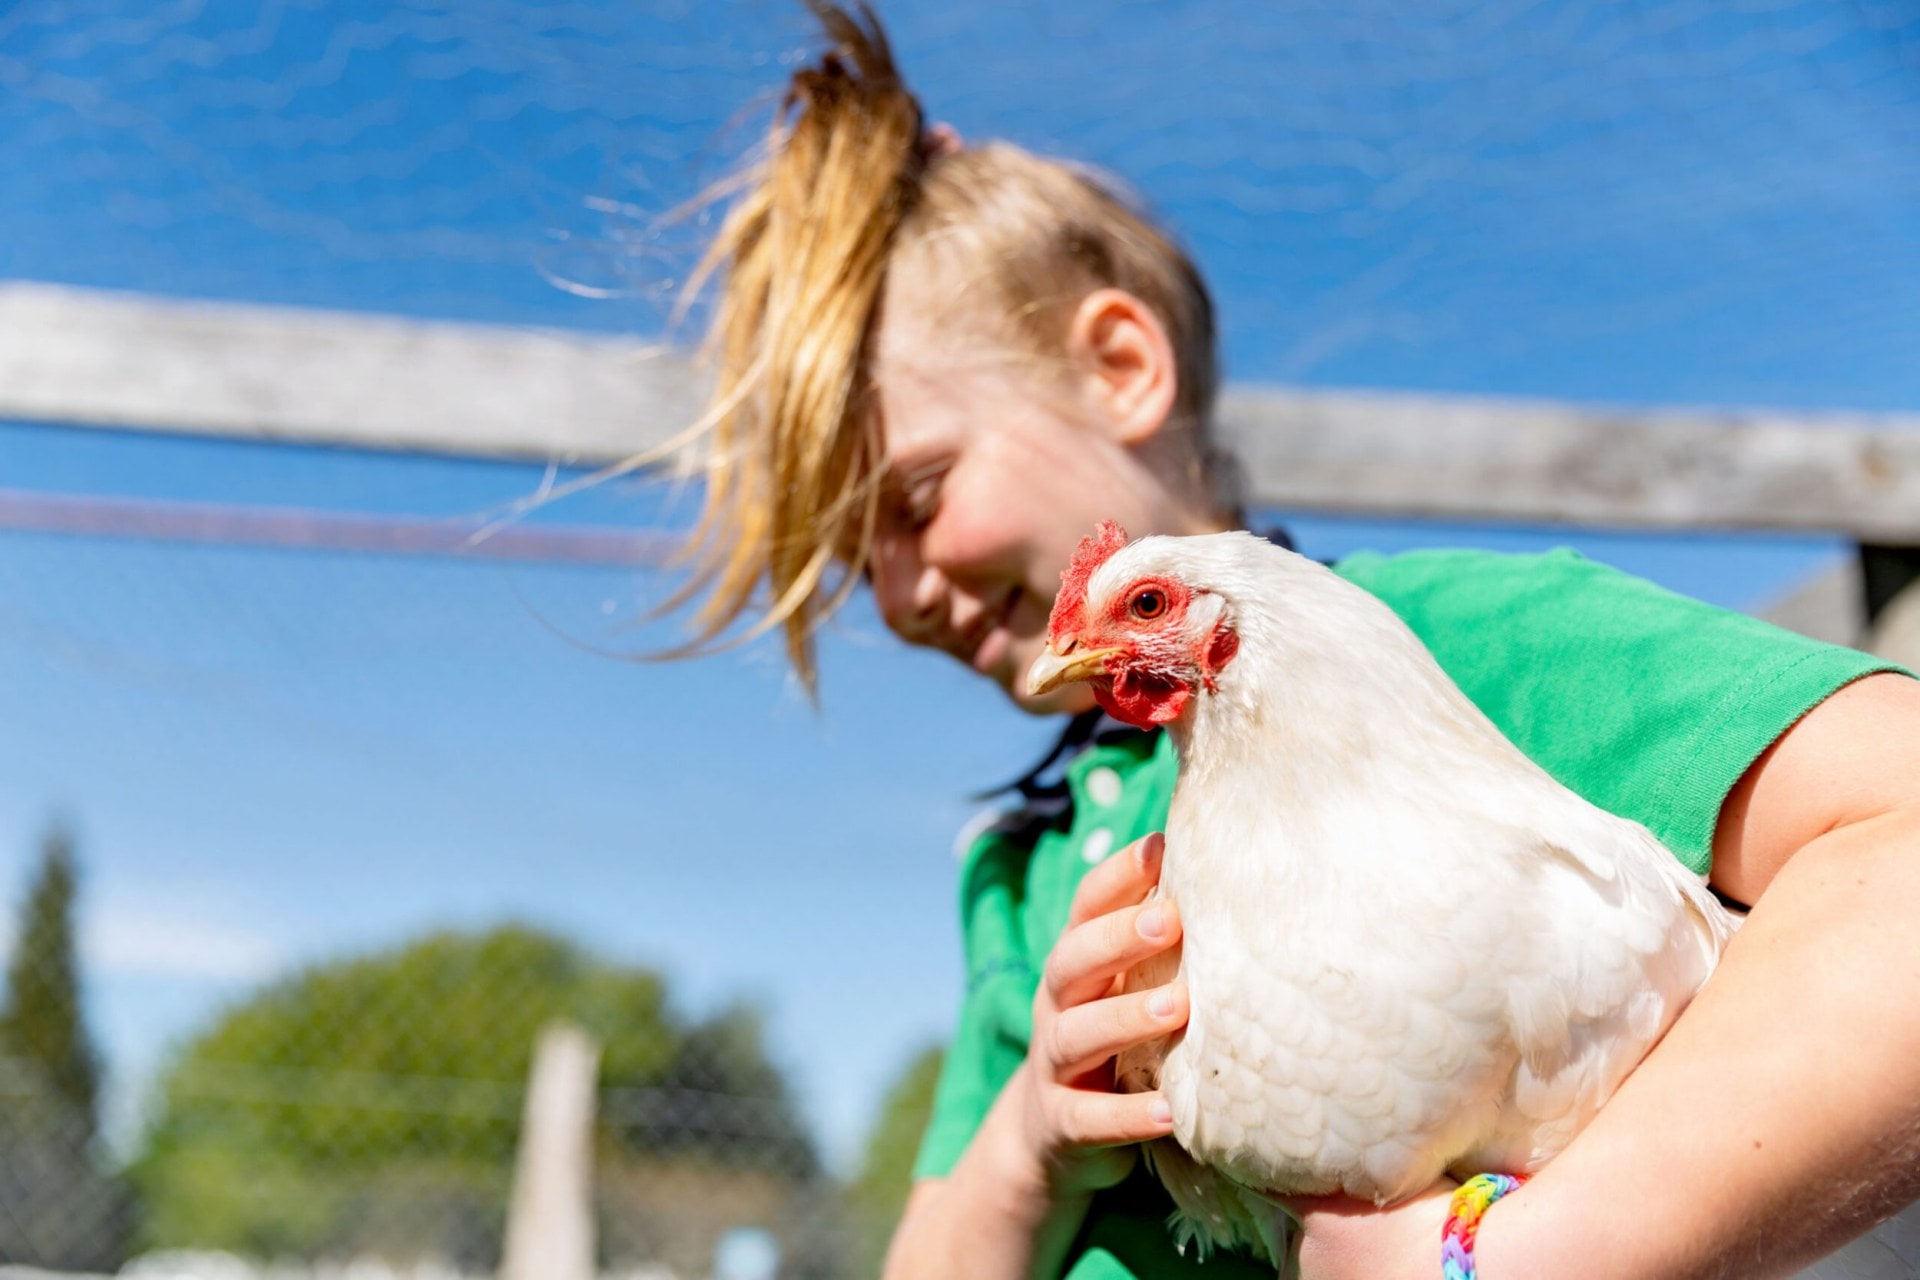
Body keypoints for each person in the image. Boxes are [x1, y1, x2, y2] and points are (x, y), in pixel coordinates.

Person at [667, 7, 1920, 1277]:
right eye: (850, 562)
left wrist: (1536, 1254)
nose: (903, 587)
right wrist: (1025, 1137)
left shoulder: (1482, 649)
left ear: (1120, 365)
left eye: (918, 498)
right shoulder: (1030, 864)